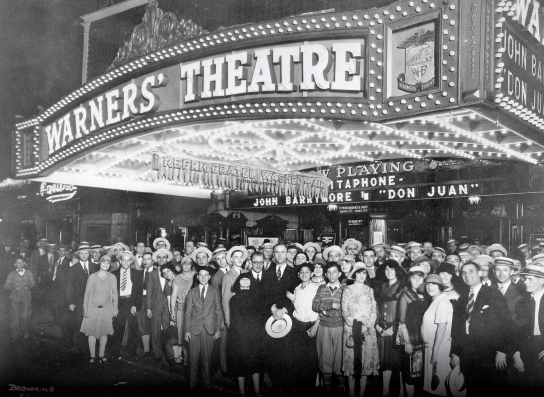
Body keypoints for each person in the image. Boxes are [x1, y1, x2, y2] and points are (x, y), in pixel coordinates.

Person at [450, 261, 513, 397]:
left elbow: (506, 323)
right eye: (464, 273)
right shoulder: (462, 299)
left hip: (489, 352)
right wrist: (455, 352)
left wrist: (502, 351)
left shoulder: (493, 293)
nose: (467, 275)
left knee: (491, 390)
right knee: (473, 390)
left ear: (479, 273)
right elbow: (457, 328)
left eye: (471, 271)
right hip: (468, 352)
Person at [228, 254, 268, 397]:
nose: (245, 282)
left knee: (256, 363)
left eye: (247, 280)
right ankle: (241, 390)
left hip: (255, 335)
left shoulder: (256, 297)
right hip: (240, 336)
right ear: (238, 283)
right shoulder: (234, 299)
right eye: (242, 280)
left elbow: (260, 316)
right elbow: (235, 320)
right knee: (240, 363)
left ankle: (257, 390)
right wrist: (242, 334)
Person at [342, 264, 379, 397]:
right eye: (359, 273)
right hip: (352, 329)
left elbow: (374, 309)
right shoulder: (347, 290)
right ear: (354, 274)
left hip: (367, 330)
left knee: (365, 362)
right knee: (352, 363)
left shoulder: (369, 290)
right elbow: (344, 311)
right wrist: (357, 328)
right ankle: (351, 393)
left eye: (364, 273)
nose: (362, 275)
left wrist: (368, 326)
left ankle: (362, 392)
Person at [285, 262, 321, 395]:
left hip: (312, 324)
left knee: (311, 358)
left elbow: (321, 310)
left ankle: (310, 389)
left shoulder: (318, 288)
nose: (304, 274)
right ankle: (299, 387)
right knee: (298, 357)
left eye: (307, 272)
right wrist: (293, 300)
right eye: (302, 272)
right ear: (298, 274)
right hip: (297, 324)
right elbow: (298, 306)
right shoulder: (297, 288)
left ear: (312, 274)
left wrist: (315, 326)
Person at [185, 266, 223, 390]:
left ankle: (206, 383)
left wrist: (217, 329)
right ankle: (192, 383)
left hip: (209, 329)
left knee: (207, 358)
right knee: (193, 359)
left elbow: (218, 311)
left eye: (205, 275)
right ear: (197, 277)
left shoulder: (214, 291)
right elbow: (187, 313)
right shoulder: (192, 292)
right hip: (194, 329)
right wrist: (187, 330)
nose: (203, 277)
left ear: (209, 277)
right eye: (200, 275)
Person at [512, 255, 544, 397]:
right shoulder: (522, 302)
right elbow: (517, 331)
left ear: (542, 281)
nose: (526, 282)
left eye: (530, 279)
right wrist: (516, 354)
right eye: (525, 279)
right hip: (526, 348)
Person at [312, 262, 346, 394]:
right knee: (324, 356)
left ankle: (340, 386)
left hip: (340, 326)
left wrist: (326, 311)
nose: (332, 275)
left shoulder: (345, 289)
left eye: (334, 272)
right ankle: (326, 386)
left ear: (340, 273)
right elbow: (315, 305)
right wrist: (332, 304)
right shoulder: (321, 288)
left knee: (340, 356)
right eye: (329, 272)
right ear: (325, 274)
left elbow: (345, 309)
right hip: (324, 326)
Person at [375, 259, 406, 397]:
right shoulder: (381, 287)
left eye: (392, 269)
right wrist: (377, 326)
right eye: (387, 270)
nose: (389, 272)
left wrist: (394, 328)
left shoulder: (402, 287)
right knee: (384, 360)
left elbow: (404, 313)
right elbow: (376, 309)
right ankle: (385, 391)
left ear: (397, 271)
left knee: (397, 362)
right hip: (381, 328)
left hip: (395, 328)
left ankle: (400, 392)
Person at [396, 266, 428, 397]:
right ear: (409, 279)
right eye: (414, 278)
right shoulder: (406, 296)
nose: (418, 280)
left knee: (423, 374)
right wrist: (407, 342)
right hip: (412, 338)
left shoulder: (428, 295)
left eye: (420, 277)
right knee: (411, 373)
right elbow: (402, 321)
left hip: (425, 338)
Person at [80, 255, 118, 363]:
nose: (105, 265)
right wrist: (85, 308)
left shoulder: (112, 277)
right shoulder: (92, 276)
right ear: (99, 263)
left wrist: (115, 308)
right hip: (92, 309)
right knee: (91, 333)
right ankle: (92, 355)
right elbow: (86, 294)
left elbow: (115, 294)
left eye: (108, 263)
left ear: (110, 265)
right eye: (103, 263)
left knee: (104, 333)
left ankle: (101, 355)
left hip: (106, 309)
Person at [421, 274, 453, 396]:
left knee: (438, 386)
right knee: (433, 386)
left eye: (434, 284)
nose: (430, 287)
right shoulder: (435, 302)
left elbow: (441, 328)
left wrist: (435, 351)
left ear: (440, 287)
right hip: (432, 347)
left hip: (439, 348)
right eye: (428, 284)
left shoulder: (442, 303)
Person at [66, 244, 99, 357]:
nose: (84, 255)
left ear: (89, 254)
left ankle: (92, 348)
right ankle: (82, 349)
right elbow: (69, 287)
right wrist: (70, 302)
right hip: (79, 301)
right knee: (80, 323)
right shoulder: (73, 269)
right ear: (78, 255)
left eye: (86, 253)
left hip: (93, 300)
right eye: (82, 253)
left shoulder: (95, 267)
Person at [111, 250, 143, 359]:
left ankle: (132, 350)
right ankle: (115, 351)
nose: (125, 262)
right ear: (120, 261)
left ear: (131, 262)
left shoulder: (137, 273)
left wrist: (135, 305)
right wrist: (114, 306)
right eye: (123, 260)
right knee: (118, 327)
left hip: (131, 302)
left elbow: (139, 291)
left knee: (133, 327)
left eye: (128, 260)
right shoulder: (113, 274)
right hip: (119, 302)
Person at [146, 248, 173, 364]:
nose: (161, 259)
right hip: (155, 306)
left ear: (167, 259)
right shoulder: (151, 273)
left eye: (164, 257)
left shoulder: (173, 271)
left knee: (168, 332)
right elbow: (149, 292)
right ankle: (158, 355)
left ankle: (170, 357)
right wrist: (148, 308)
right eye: (159, 257)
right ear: (156, 259)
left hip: (168, 307)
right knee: (155, 332)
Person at [170, 254, 196, 364]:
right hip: (181, 309)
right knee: (182, 334)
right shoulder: (177, 278)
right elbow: (174, 295)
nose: (186, 266)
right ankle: (185, 359)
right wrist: (172, 311)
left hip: (194, 310)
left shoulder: (196, 276)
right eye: (183, 264)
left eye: (188, 264)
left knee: (193, 333)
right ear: (181, 266)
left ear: (191, 265)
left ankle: (192, 359)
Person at [4, 257, 36, 340]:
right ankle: (15, 335)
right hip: (14, 297)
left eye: (21, 262)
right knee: (15, 316)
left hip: (26, 297)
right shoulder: (11, 274)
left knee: (25, 315)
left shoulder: (29, 273)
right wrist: (13, 287)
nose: (20, 264)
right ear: (15, 264)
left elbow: (33, 283)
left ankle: (25, 331)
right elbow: (6, 286)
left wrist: (28, 286)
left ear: (24, 263)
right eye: (18, 263)